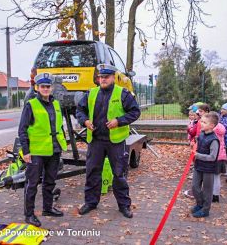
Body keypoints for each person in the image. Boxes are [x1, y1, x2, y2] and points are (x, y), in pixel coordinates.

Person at [76, 64, 141, 218]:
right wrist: (84, 121)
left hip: (116, 142)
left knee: (119, 174)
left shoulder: (123, 93)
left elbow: (135, 112)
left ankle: (124, 206)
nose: (103, 79)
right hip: (96, 140)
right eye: (100, 77)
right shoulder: (91, 93)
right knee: (92, 173)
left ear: (113, 78)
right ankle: (91, 203)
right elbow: (80, 110)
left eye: (106, 77)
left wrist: (119, 121)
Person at [18, 73, 67, 227]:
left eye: (48, 86)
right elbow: (22, 130)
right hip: (36, 152)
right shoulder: (31, 105)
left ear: (51, 88)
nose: (45, 89)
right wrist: (26, 151)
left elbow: (58, 127)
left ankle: (47, 208)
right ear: (37, 88)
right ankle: (29, 214)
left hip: (54, 150)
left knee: (50, 182)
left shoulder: (56, 104)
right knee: (32, 184)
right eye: (42, 86)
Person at [191, 112, 220, 218]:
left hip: (209, 169)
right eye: (201, 121)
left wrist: (198, 155)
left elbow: (212, 157)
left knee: (207, 190)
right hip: (198, 166)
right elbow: (199, 145)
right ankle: (200, 204)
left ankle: (205, 209)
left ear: (211, 125)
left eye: (204, 122)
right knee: (194, 187)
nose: (201, 124)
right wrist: (194, 144)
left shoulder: (214, 140)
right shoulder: (202, 134)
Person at [212, 122, 227, 202]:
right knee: (217, 177)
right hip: (222, 156)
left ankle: (213, 195)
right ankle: (216, 195)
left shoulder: (213, 130)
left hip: (215, 157)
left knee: (213, 177)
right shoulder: (221, 127)